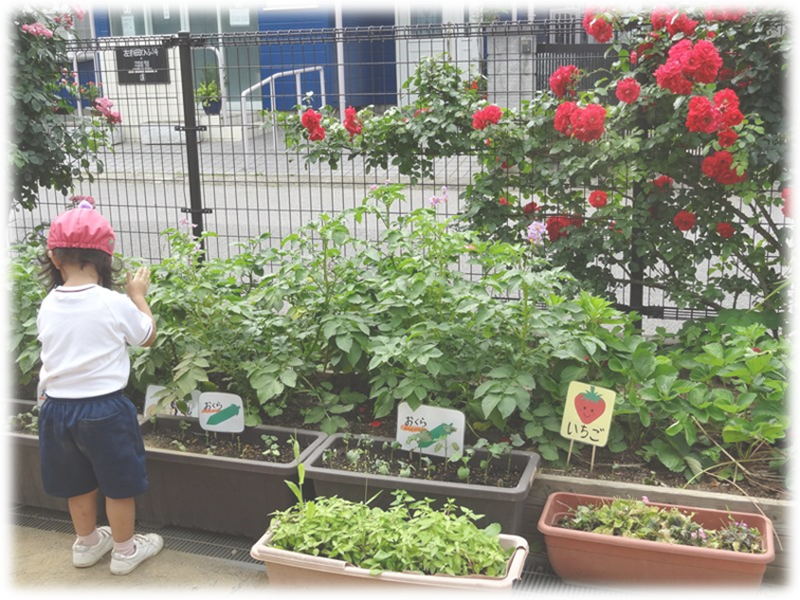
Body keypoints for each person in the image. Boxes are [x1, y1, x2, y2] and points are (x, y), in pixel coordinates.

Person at [37, 202, 163, 575]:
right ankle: (125, 551)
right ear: (106, 260)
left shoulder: (48, 304)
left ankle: (87, 543)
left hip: (56, 409)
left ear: (54, 258)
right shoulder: (112, 302)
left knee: (76, 482)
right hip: (104, 410)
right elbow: (147, 336)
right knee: (118, 483)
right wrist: (138, 294)